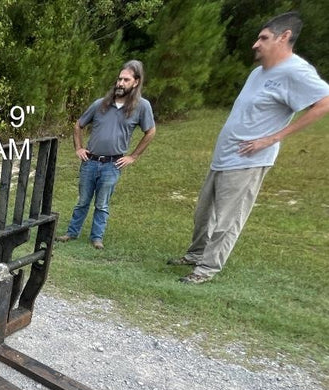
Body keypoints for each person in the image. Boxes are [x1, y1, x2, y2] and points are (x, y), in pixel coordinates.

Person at [169, 12, 329, 284]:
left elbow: (324, 102)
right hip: (224, 155)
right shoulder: (258, 72)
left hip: (248, 160)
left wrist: (273, 138)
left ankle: (206, 269)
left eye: (263, 38)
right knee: (204, 213)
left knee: (228, 219)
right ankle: (196, 254)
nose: (256, 43)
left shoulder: (296, 71)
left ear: (284, 37)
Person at [57, 60, 156, 249]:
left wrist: (133, 156)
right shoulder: (100, 104)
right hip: (90, 161)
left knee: (102, 204)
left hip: (112, 164)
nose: (120, 83)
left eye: (126, 80)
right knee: (83, 201)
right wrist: (79, 147)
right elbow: (78, 124)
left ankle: (97, 238)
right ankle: (71, 233)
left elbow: (150, 131)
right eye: (119, 79)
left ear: (136, 82)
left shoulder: (142, 106)